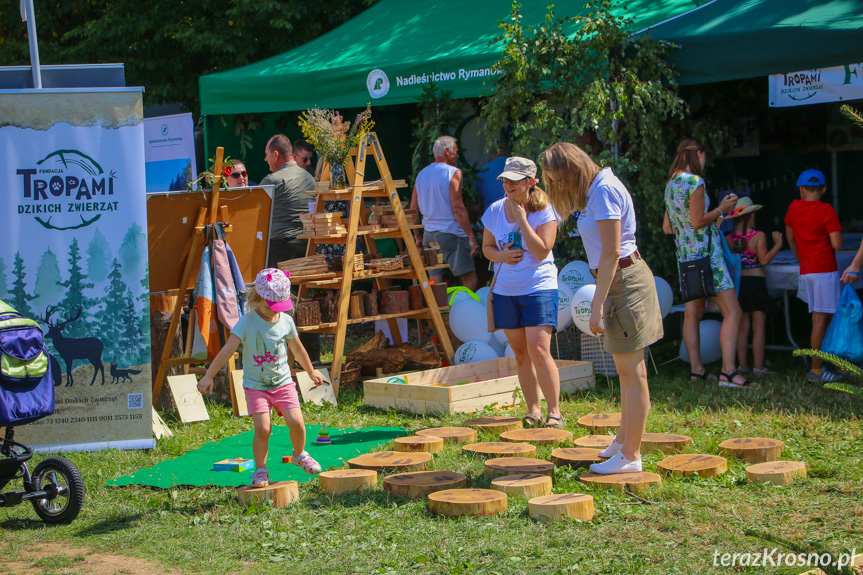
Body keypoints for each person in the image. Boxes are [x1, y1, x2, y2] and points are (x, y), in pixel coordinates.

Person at [541, 143, 663, 474]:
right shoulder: (597, 189)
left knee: (632, 371)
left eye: (560, 179)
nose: (561, 187)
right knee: (626, 371)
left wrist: (596, 305)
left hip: (623, 280)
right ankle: (624, 442)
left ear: (574, 169)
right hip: (616, 279)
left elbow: (610, 253)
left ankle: (631, 456)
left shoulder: (604, 190)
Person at [197, 268, 324, 486]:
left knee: (297, 423)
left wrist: (310, 370)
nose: (273, 312)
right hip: (256, 386)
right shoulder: (247, 322)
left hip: (283, 383)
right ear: (257, 298)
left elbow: (298, 348)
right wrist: (208, 375)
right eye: (268, 306)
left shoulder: (285, 321)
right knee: (263, 428)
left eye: (278, 307)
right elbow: (228, 350)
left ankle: (300, 454)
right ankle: (261, 469)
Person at [663, 139, 752, 388]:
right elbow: (698, 220)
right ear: (699, 154)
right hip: (708, 258)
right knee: (733, 312)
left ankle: (697, 370)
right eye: (704, 157)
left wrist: (696, 226)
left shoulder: (671, 185)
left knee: (692, 315)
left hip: (686, 259)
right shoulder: (694, 182)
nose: (704, 162)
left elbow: (668, 227)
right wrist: (721, 210)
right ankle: (729, 372)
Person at [481, 157, 562, 429]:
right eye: (505, 179)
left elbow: (541, 251)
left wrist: (522, 220)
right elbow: (487, 248)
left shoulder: (543, 210)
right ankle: (533, 410)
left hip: (538, 287)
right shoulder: (494, 210)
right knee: (519, 353)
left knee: (539, 350)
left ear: (531, 182)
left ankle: (555, 412)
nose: (508, 185)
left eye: (515, 180)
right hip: (506, 291)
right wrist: (501, 255)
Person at [785, 169, 844, 382]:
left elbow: (790, 238)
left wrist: (800, 259)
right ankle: (817, 370)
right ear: (824, 189)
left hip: (808, 270)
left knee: (821, 318)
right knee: (821, 319)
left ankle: (831, 364)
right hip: (825, 270)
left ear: (801, 189)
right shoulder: (826, 210)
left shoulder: (793, 207)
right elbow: (837, 244)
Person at [411, 136, 480, 292]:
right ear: (447, 151)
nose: (457, 155)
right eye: (456, 151)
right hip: (451, 233)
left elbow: (413, 209)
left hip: (430, 235)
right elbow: (458, 207)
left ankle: (437, 315)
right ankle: (468, 314)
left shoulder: (421, 174)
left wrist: (418, 237)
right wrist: (471, 237)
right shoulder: (453, 173)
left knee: (435, 283)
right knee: (469, 280)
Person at [725, 197, 782, 376]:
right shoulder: (758, 236)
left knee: (743, 327)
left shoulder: (729, 239)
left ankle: (742, 366)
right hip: (756, 283)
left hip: (739, 284)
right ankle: (759, 368)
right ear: (752, 216)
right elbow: (764, 260)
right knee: (758, 328)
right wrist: (778, 245)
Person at [261, 134, 316, 269]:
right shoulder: (309, 177)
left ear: (275, 154)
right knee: (300, 290)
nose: (265, 159)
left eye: (267, 155)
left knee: (279, 289)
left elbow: (255, 214)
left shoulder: (272, 180)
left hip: (281, 248)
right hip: (306, 245)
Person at [475, 147, 508, 214]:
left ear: (490, 157)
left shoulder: (483, 171)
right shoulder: (516, 169)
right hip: (515, 213)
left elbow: (475, 205)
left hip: (491, 213)